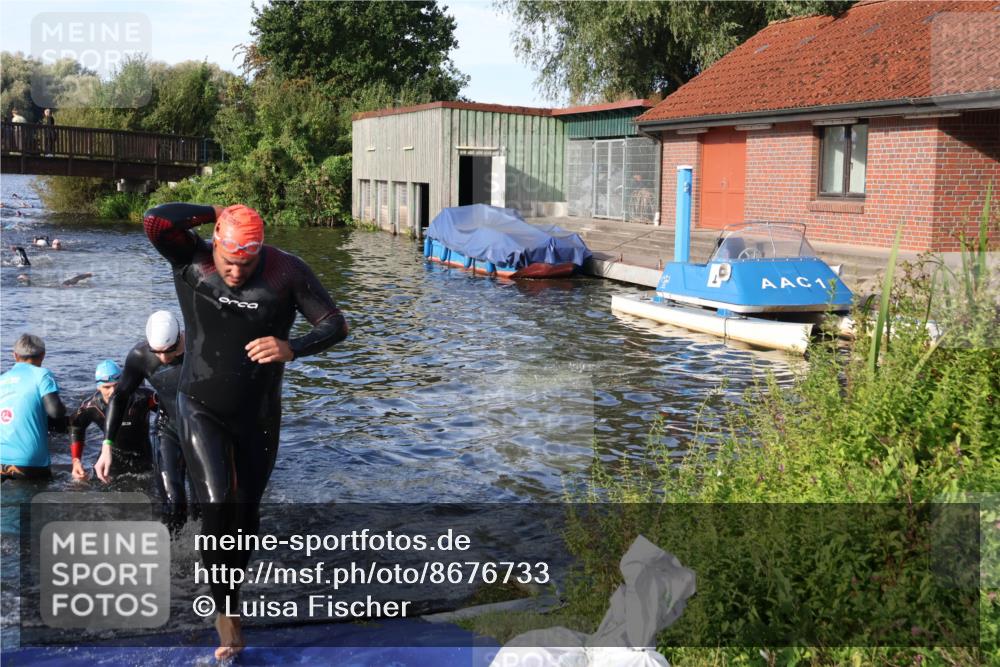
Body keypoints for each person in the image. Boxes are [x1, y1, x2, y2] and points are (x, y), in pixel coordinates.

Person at [140, 202, 348, 659]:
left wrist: (293, 347)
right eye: (228, 262)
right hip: (199, 406)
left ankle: (230, 588)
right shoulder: (191, 258)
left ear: (259, 253)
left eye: (245, 264)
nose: (235, 272)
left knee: (245, 517)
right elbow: (157, 220)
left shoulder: (286, 272)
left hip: (258, 415)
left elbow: (336, 325)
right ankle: (226, 614)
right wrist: (220, 209)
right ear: (215, 243)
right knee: (218, 506)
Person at [104, 310, 192, 529]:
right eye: (157, 352)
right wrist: (107, 445)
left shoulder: (199, 348)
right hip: (169, 427)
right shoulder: (140, 356)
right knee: (173, 502)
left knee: (205, 504)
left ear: (180, 337)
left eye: (170, 351)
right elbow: (120, 397)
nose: (163, 358)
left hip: (203, 430)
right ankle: (173, 547)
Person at [70, 360, 155, 480]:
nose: (113, 391)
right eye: (107, 387)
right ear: (98, 387)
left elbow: (170, 410)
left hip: (143, 457)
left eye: (116, 385)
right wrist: (76, 460)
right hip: (110, 455)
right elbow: (76, 426)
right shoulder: (92, 406)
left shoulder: (142, 397)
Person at [0, 334, 66, 480]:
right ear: (43, 355)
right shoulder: (42, 375)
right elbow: (55, 412)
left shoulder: (2, 379)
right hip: (29, 461)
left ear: (14, 355)